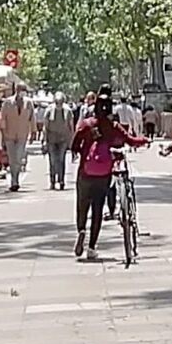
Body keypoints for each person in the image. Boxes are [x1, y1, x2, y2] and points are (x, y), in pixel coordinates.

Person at [71, 85, 146, 260]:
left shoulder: (87, 125)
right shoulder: (113, 126)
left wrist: (83, 152)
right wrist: (144, 140)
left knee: (82, 206)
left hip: (85, 172)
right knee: (98, 209)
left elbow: (74, 144)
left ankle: (81, 230)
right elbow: (131, 140)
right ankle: (91, 247)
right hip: (104, 174)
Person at [0, 83, 40, 192]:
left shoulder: (29, 103)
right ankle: (14, 181)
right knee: (12, 159)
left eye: (24, 89)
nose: (22, 91)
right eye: (21, 89)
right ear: (16, 90)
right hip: (9, 134)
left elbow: (32, 118)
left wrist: (34, 131)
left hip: (22, 134)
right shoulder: (7, 102)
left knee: (18, 157)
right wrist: (3, 134)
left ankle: (15, 178)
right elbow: (3, 119)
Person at [42, 94, 76, 191]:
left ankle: (61, 180)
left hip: (63, 139)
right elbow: (45, 127)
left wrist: (72, 141)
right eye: (57, 102)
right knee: (52, 161)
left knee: (61, 160)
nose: (58, 104)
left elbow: (71, 127)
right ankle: (52, 181)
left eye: (60, 102)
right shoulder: (49, 110)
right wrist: (44, 140)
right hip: (51, 139)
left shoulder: (68, 111)